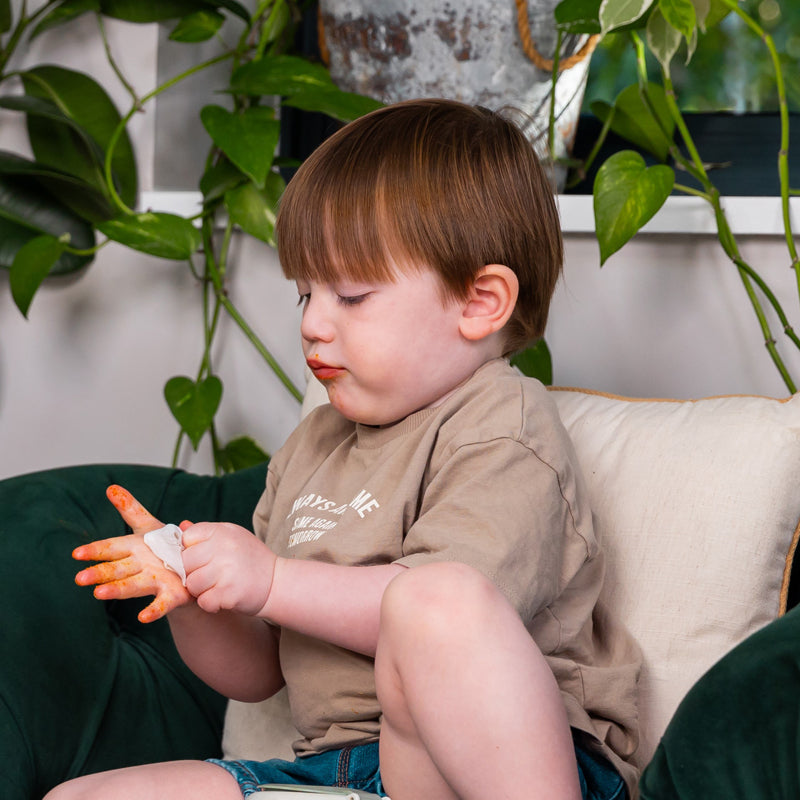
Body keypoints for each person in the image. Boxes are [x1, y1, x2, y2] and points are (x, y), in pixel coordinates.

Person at [45, 98, 641, 800]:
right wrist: (195, 597)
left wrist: (271, 579)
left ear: (479, 302)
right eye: (305, 294)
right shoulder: (315, 443)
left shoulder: (502, 426)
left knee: (431, 599)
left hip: (496, 767)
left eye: (352, 296)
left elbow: (442, 621)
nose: (314, 324)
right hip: (338, 773)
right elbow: (259, 672)